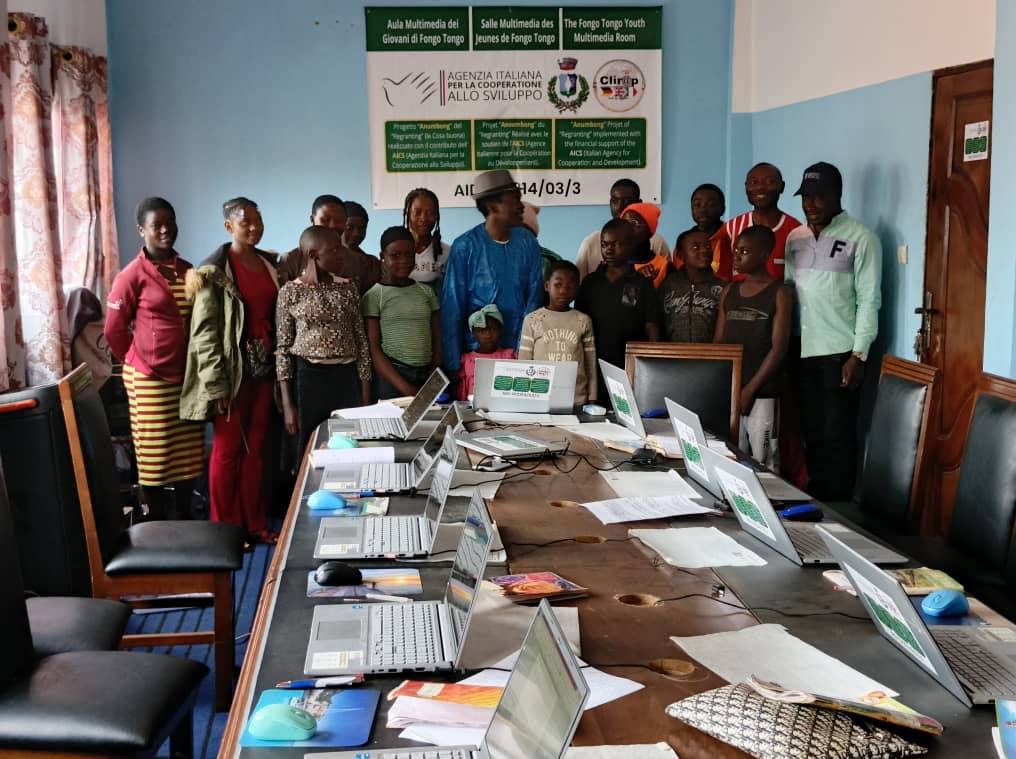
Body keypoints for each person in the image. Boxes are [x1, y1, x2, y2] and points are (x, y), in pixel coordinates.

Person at [181, 197, 280, 544]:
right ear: (228, 227)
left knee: (255, 450)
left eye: (258, 220)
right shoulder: (213, 271)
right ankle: (225, 531)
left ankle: (254, 525)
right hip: (231, 375)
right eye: (244, 222)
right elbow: (203, 334)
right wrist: (216, 385)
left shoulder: (270, 263)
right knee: (227, 451)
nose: (254, 227)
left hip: (263, 369)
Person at [785, 162, 881, 499]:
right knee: (810, 431)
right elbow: (788, 291)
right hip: (800, 348)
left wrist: (859, 355)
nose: (810, 204)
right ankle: (817, 503)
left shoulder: (861, 238)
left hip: (839, 352)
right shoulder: (795, 238)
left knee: (837, 433)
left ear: (837, 195)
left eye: (818, 197)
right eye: (805, 197)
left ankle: (839, 509)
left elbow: (869, 299)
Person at [105, 197, 203, 520]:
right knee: (156, 456)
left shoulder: (187, 270)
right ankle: (158, 525)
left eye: (169, 223)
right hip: (149, 379)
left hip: (186, 377)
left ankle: (185, 519)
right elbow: (114, 330)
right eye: (156, 225)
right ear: (141, 230)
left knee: (188, 453)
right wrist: (137, 360)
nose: (164, 230)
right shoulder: (131, 275)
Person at [441, 169, 543, 393]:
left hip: (518, 358)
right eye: (514, 200)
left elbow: (534, 301)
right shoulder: (465, 246)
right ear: (492, 206)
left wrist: (523, 354)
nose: (521, 206)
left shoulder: (527, 242)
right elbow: (452, 308)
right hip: (476, 359)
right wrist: (454, 363)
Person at [277, 225, 372, 453]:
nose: (341, 255)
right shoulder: (290, 292)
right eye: (334, 250)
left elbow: (361, 341)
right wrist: (288, 405)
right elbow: (283, 348)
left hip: (346, 379)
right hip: (309, 379)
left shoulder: (348, 288)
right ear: (313, 254)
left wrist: (365, 395)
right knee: (311, 447)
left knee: (349, 445)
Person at [714, 225, 792, 470]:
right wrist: (725, 384)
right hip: (731, 388)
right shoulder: (730, 291)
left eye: (745, 251)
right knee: (732, 455)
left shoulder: (779, 293)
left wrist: (750, 389)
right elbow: (719, 342)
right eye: (736, 250)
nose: (737, 256)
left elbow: (778, 348)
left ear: (764, 255)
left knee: (763, 459)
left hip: (762, 389)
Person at [576, 218, 661, 400]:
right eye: (604, 244)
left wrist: (653, 363)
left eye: (615, 244)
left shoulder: (642, 283)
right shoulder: (590, 282)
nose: (608, 249)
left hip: (630, 364)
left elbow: (651, 325)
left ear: (630, 245)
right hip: (595, 362)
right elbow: (579, 324)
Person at [362, 226, 441, 399]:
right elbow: (373, 348)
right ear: (382, 256)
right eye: (395, 255)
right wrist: (406, 388)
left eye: (409, 255)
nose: (404, 261)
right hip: (393, 377)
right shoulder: (374, 295)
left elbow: (437, 338)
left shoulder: (426, 292)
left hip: (426, 376)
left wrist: (433, 374)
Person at [518, 260, 597, 407]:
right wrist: (523, 399)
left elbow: (590, 364)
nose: (563, 291)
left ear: (577, 288)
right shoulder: (532, 320)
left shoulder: (583, 321)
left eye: (570, 286)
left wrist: (592, 397)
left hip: (576, 401)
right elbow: (524, 363)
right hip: (539, 398)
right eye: (558, 285)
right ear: (547, 286)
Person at [719, 162, 803, 281]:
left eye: (769, 182)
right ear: (746, 187)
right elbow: (722, 276)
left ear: (782, 187)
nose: (760, 188)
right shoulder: (730, 229)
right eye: (754, 182)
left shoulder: (796, 231)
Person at [575, 179, 670, 279]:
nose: (620, 207)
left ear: (639, 203)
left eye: (627, 201)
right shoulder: (590, 243)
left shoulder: (657, 242)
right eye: (615, 201)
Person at [659, 228, 726, 342]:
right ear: (681, 255)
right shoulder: (668, 284)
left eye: (708, 246)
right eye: (695, 247)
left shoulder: (723, 287)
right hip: (671, 352)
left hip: (710, 352)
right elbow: (657, 321)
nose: (704, 250)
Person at [456, 304, 517, 402]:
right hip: (474, 408)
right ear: (474, 333)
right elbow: (462, 391)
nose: (488, 334)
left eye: (493, 329)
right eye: (482, 331)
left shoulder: (509, 356)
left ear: (500, 330)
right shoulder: (467, 360)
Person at [679, 183, 731, 281]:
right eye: (697, 204)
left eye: (711, 204)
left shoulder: (731, 237)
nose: (703, 209)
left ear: (722, 209)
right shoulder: (685, 242)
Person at [402, 187, 449, 293]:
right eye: (417, 212)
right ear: (408, 214)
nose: (424, 218)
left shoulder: (447, 253)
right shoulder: (395, 251)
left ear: (437, 216)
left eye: (430, 213)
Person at [620, 202, 670, 288]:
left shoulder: (664, 267)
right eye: (624, 223)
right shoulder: (614, 264)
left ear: (649, 231)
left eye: (633, 223)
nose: (627, 229)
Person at [340, 200, 383, 294]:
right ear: (339, 226)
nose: (356, 233)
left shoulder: (372, 263)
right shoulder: (325, 259)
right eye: (349, 228)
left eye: (362, 228)